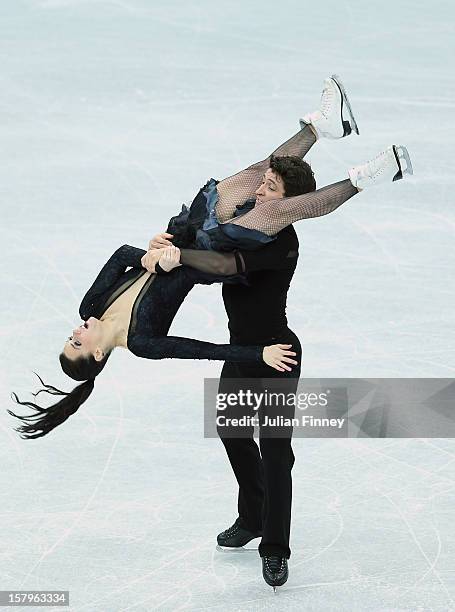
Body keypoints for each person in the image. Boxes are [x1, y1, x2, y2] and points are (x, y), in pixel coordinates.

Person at [144, 75, 413, 591]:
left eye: (272, 188)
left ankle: (276, 546)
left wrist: (182, 256)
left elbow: (224, 264)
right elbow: (210, 225)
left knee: (276, 449)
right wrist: (170, 235)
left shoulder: (276, 244)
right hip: (247, 351)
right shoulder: (249, 214)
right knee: (231, 432)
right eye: (265, 184)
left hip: (277, 355)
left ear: (285, 203)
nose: (263, 189)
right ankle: (252, 517)